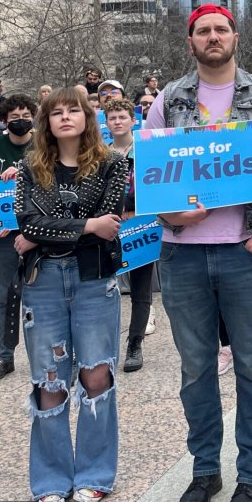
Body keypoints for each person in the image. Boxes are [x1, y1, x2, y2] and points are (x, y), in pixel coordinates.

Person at [146, 4, 252, 502]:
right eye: (203, 31)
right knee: (196, 369)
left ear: (235, 37)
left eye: (220, 29)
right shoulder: (168, 99)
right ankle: (205, 470)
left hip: (243, 251)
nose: (213, 37)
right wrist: (172, 216)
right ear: (190, 42)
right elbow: (151, 180)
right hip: (181, 256)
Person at [13, 87, 127, 502]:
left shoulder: (113, 165)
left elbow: (110, 223)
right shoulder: (30, 167)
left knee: (96, 375)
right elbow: (27, 222)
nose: (64, 118)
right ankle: (51, 478)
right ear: (46, 121)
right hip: (42, 281)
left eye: (72, 111)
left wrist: (51, 229)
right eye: (55, 112)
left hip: (94, 279)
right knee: (49, 380)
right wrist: (86, 225)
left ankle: (95, 474)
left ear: (86, 117)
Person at [0, 93, 38, 383]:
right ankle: (5, 356)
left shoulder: (44, 146)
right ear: (4, 120)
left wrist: (25, 169)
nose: (20, 122)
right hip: (2, 237)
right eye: (14, 118)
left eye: (25, 116)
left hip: (40, 233)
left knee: (43, 296)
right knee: (6, 297)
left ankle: (48, 355)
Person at [104, 99, 156, 373]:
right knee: (104, 288)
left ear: (133, 120)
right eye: (112, 117)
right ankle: (102, 346)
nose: (117, 121)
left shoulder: (145, 149)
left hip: (140, 223)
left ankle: (134, 343)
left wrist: (134, 208)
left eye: (122, 116)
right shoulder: (100, 153)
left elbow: (155, 182)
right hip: (108, 226)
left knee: (141, 288)